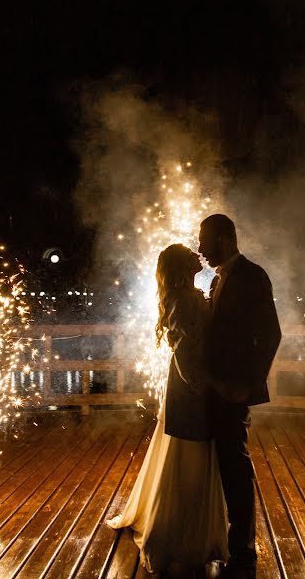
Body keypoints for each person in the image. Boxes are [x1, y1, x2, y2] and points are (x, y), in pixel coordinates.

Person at [106, 243, 228, 577]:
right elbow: (184, 348)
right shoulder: (182, 299)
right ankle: (180, 531)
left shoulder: (189, 295)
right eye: (189, 253)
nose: (197, 254)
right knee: (189, 453)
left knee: (193, 454)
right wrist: (202, 385)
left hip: (192, 382)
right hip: (191, 387)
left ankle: (191, 524)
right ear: (179, 265)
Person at [199, 214, 281, 579]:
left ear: (224, 237)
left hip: (234, 390)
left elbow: (271, 333)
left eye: (205, 240)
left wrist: (249, 384)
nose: (200, 249)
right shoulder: (217, 280)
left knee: (235, 466)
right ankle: (225, 541)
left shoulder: (252, 275)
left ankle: (244, 553)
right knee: (224, 464)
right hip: (214, 388)